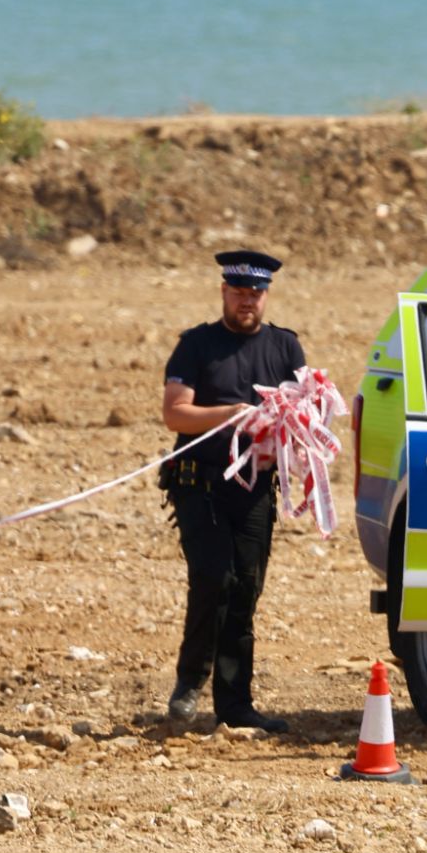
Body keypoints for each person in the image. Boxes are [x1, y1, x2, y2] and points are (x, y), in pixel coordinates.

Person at [158, 248, 306, 730]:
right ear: (224, 292)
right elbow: (175, 413)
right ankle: (189, 682)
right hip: (199, 482)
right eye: (240, 292)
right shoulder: (196, 346)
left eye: (256, 293)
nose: (248, 301)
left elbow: (303, 415)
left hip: (256, 487)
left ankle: (236, 703)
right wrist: (229, 413)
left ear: (267, 296)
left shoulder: (285, 348)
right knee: (213, 576)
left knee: (246, 586)